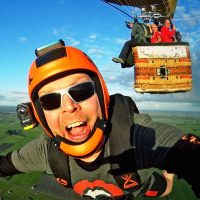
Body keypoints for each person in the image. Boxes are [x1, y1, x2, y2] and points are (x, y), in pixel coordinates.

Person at [1, 39, 200, 200]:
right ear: (39, 115)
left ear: (101, 95)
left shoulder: (136, 137)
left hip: (143, 187)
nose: (69, 107)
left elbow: (189, 153)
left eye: (81, 90)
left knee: (165, 188)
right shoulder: (46, 152)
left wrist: (173, 169)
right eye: (50, 100)